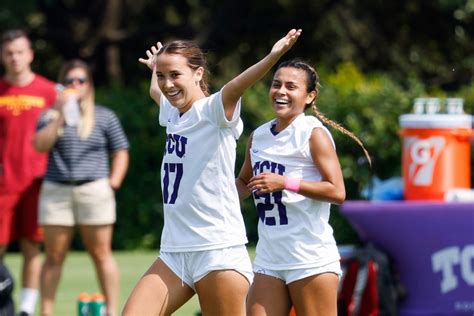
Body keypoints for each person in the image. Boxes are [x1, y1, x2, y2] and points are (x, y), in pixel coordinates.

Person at [122, 29, 302, 316]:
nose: (168, 84)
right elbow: (155, 91)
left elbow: (239, 84)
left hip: (216, 250)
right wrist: (155, 68)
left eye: (175, 75)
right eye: (163, 76)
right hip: (174, 251)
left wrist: (274, 55)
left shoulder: (213, 111)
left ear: (197, 73)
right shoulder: (171, 112)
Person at [236, 59, 371, 316]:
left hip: (309, 258)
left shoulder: (312, 133)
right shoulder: (259, 135)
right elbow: (244, 182)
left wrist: (286, 183)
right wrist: (215, 198)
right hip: (270, 257)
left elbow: (337, 191)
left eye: (291, 86)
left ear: (310, 96)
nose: (281, 92)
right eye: (276, 85)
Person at [33, 59, 129, 316]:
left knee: (101, 253)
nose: (75, 85)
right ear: (61, 86)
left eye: (81, 80)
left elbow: (121, 150)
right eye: (69, 81)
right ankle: (46, 311)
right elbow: (40, 145)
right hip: (57, 191)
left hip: (94, 190)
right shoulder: (49, 116)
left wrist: (113, 182)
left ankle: (111, 310)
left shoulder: (105, 116)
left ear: (89, 85)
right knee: (53, 256)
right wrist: (61, 114)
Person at [0, 29, 57, 316]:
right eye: (9, 52)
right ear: (2, 56)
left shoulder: (49, 91)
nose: (15, 58)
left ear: (30, 54)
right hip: (2, 184)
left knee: (31, 247)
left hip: (37, 183)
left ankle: (25, 309)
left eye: (20, 51)